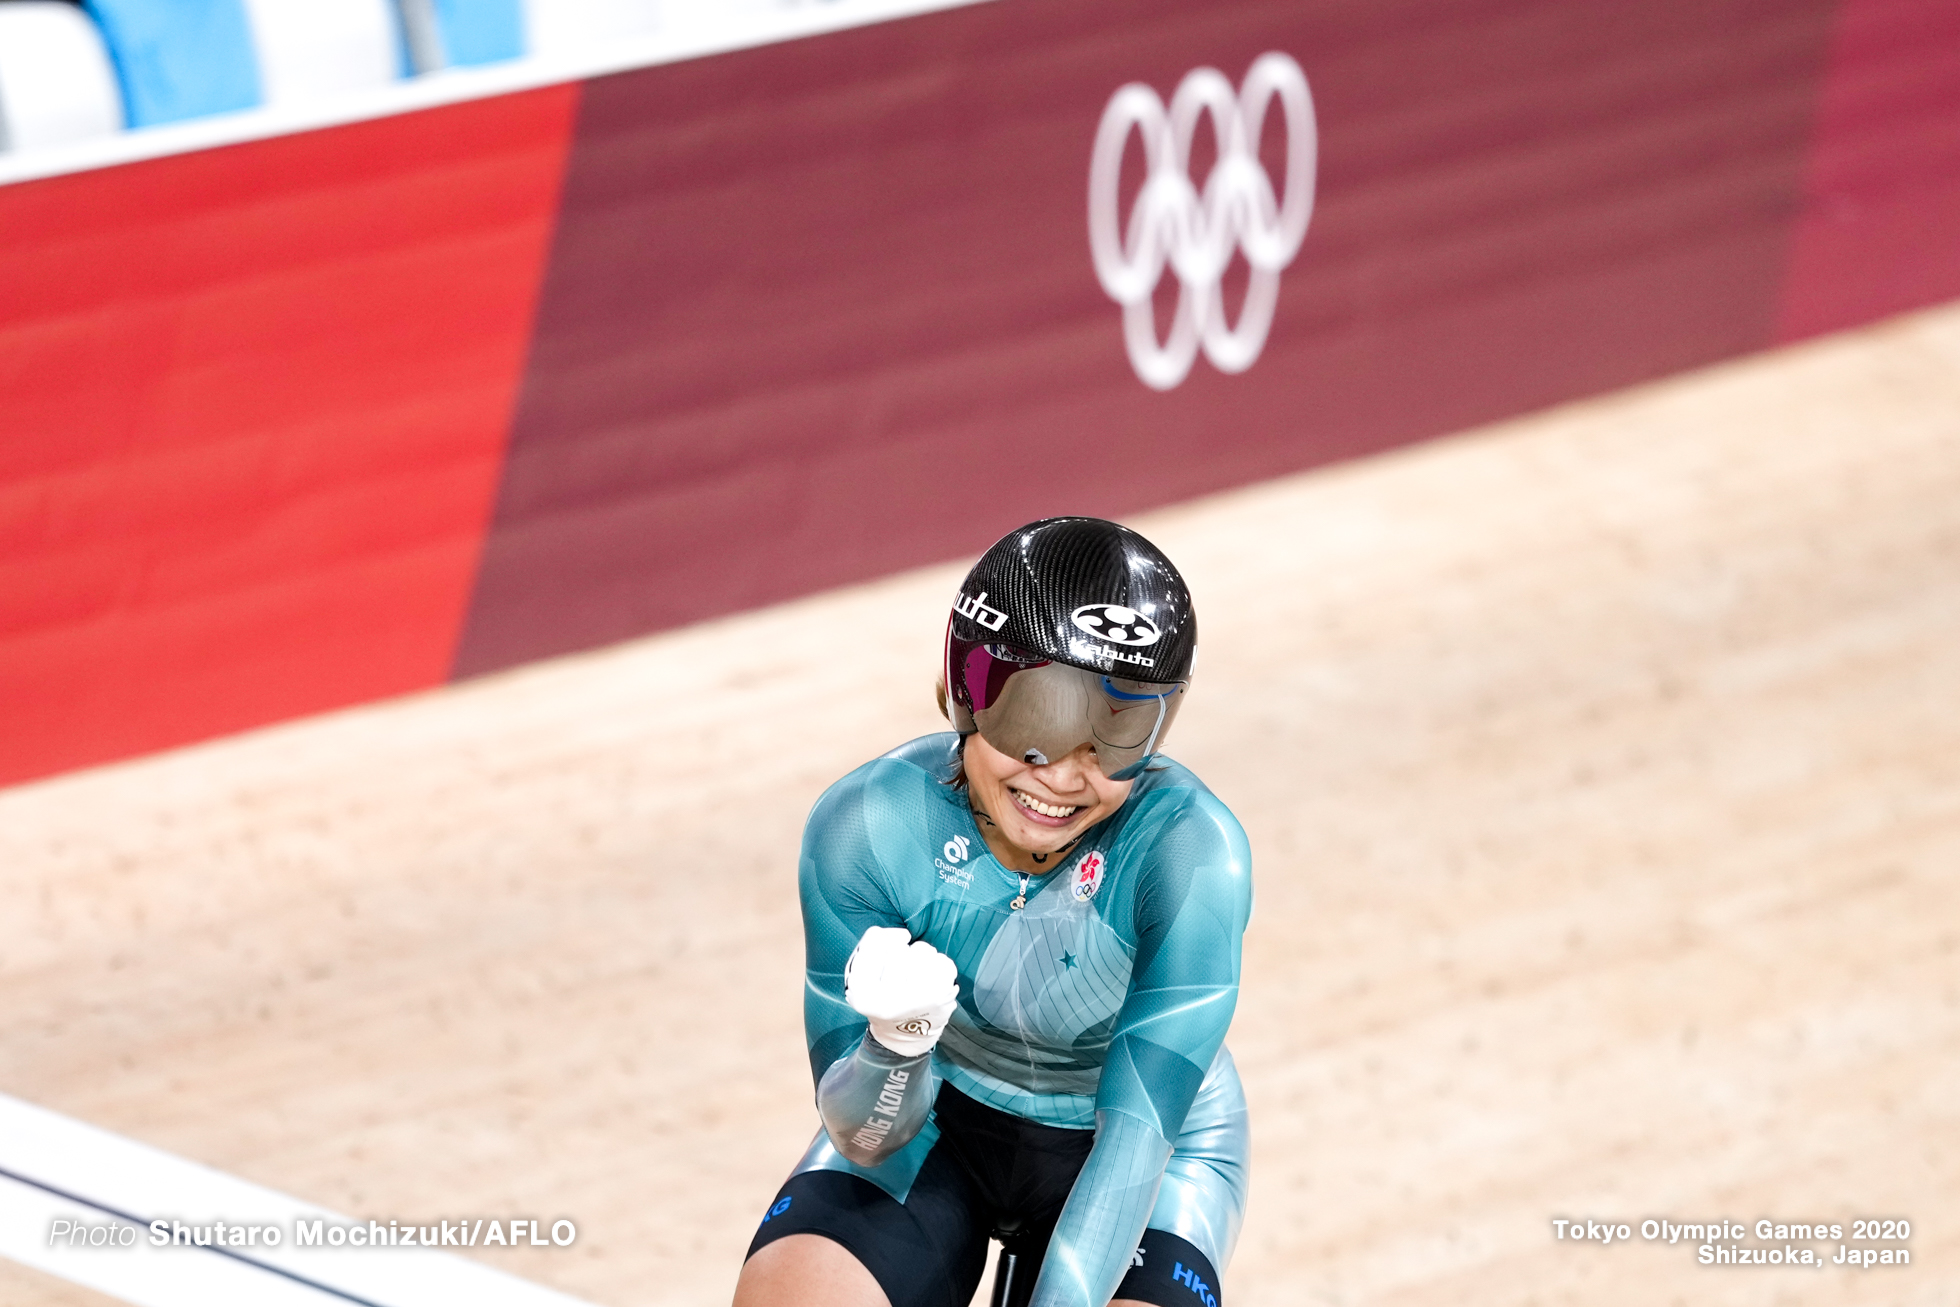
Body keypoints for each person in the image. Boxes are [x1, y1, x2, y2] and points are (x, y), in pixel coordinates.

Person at [735, 517, 1252, 1307]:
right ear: (962, 690)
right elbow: (865, 1136)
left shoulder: (1189, 852)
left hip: (1134, 1146)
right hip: (942, 1114)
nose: (1064, 776)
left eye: (1115, 732)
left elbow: (1135, 1136)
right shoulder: (868, 826)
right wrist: (896, 1048)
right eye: (1034, 722)